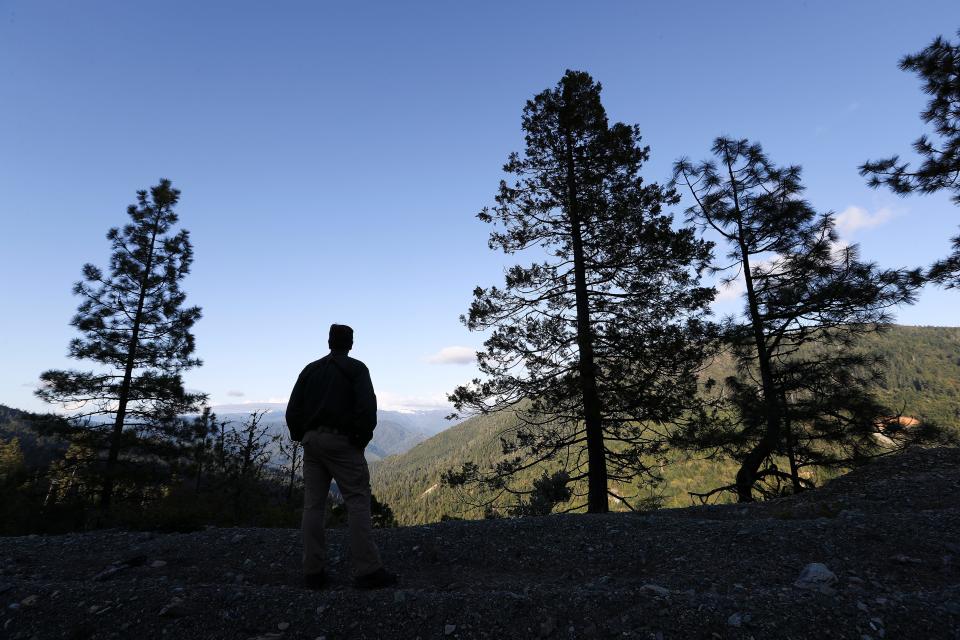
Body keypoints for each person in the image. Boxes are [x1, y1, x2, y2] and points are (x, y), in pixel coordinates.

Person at [285, 323, 398, 590]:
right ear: (350, 344)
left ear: (328, 342)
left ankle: (312, 572)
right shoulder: (357, 369)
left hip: (312, 442)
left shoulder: (310, 370)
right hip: (342, 443)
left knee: (313, 505)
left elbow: (293, 410)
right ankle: (367, 570)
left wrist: (302, 435)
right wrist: (359, 441)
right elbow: (367, 408)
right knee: (357, 501)